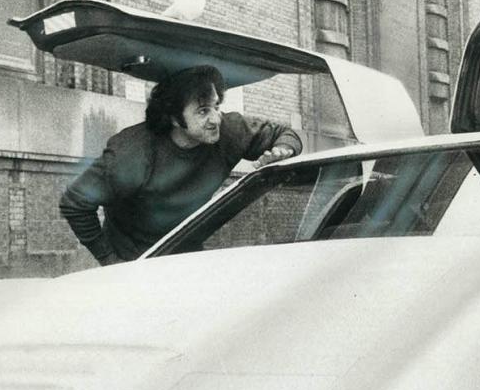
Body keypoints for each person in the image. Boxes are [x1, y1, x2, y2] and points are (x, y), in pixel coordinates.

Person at [59, 65, 302, 264]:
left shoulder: (228, 131)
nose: (215, 118)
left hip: (186, 256)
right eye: (203, 111)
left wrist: (284, 150)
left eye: (217, 106)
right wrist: (109, 260)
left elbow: (284, 133)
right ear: (174, 118)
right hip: (133, 261)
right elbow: (74, 203)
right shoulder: (131, 153)